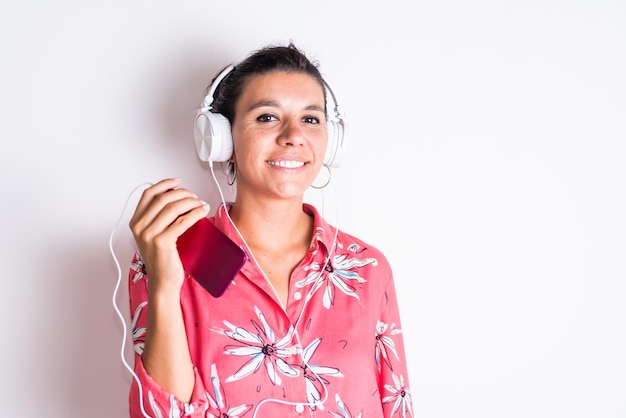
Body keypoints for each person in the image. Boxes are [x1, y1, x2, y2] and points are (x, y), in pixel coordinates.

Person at [127, 42, 413, 418]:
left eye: (311, 119)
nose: (293, 135)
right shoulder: (169, 254)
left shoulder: (365, 269)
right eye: (267, 117)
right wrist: (164, 285)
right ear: (222, 140)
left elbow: (396, 404)